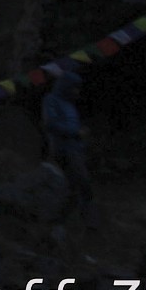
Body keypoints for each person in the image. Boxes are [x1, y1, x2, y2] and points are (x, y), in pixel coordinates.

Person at [42, 71, 98, 225]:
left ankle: (68, 220)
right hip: (63, 149)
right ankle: (74, 219)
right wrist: (76, 133)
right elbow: (51, 125)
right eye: (74, 88)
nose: (76, 92)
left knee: (77, 184)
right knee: (81, 182)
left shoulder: (70, 105)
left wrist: (82, 139)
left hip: (75, 149)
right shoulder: (51, 100)